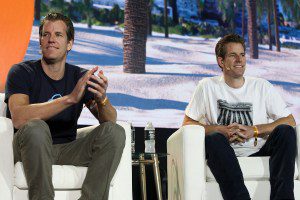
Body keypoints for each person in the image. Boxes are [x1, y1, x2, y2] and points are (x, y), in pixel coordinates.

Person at [4, 12, 126, 200]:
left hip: (68, 149)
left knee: (114, 132)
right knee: (36, 127)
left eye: (58, 35)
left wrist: (102, 99)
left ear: (70, 43)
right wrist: (69, 98)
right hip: (30, 148)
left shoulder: (79, 77)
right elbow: (19, 118)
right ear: (40, 40)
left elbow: (109, 121)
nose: (51, 39)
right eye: (46, 34)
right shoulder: (22, 72)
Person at [183, 34, 296, 200]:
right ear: (221, 62)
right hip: (223, 153)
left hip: (257, 150)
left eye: (242, 55)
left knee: (285, 131)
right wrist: (219, 129)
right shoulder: (206, 87)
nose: (239, 60)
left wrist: (255, 130)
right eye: (233, 55)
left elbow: (290, 120)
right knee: (214, 138)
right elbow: (187, 124)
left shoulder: (261, 86)